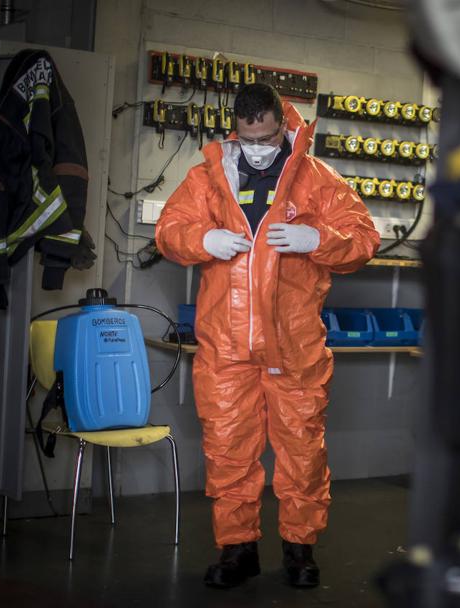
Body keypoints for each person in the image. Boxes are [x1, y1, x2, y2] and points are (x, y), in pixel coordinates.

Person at [155, 83, 380, 588]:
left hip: (295, 345)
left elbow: (364, 239)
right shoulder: (209, 178)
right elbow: (169, 231)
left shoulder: (318, 180)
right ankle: (238, 551)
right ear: (235, 130)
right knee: (228, 449)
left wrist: (318, 239)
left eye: (268, 137)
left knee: (302, 452)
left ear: (284, 125)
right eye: (248, 138)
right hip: (227, 344)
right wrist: (202, 239)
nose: (258, 147)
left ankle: (301, 550)